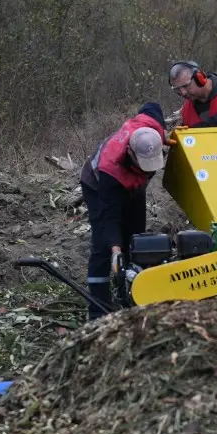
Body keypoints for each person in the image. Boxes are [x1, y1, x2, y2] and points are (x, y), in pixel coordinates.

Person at [79, 102, 168, 319]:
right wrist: (116, 251)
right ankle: (99, 310)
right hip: (98, 185)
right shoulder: (110, 170)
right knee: (103, 244)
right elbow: (110, 216)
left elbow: (152, 107)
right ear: (130, 152)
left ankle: (132, 295)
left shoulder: (151, 127)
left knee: (137, 236)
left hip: (133, 185)